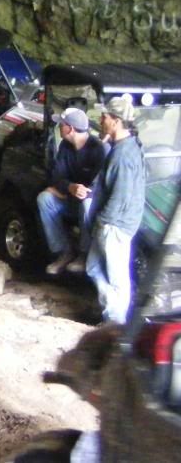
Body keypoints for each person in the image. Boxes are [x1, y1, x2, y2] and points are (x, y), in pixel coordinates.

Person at [86, 96, 145, 324]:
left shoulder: (123, 155)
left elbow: (121, 195)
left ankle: (114, 322)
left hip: (115, 224)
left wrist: (103, 220)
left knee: (117, 277)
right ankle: (112, 311)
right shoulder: (126, 146)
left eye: (105, 116)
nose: (101, 120)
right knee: (92, 267)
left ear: (117, 121)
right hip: (116, 221)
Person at [38, 107, 107, 275]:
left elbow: (102, 185)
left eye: (62, 124)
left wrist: (83, 192)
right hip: (69, 198)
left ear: (70, 128)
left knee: (86, 202)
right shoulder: (65, 146)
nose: (59, 127)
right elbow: (56, 177)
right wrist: (70, 187)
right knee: (44, 198)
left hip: (91, 204)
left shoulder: (98, 149)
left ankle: (84, 255)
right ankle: (64, 251)